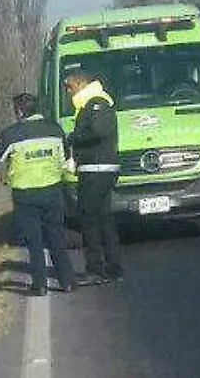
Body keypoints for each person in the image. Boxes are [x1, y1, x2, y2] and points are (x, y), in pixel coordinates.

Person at [0, 93, 78, 296]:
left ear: (19, 111)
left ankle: (40, 284)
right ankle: (67, 281)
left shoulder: (12, 134)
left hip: (26, 196)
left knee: (34, 241)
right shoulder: (55, 129)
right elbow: (66, 161)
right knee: (56, 237)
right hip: (53, 191)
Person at [63, 70, 124, 284]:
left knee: (88, 218)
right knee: (104, 218)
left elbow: (99, 131)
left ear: (80, 83)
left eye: (69, 86)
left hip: (97, 168)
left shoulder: (96, 102)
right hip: (97, 168)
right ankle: (113, 268)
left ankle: (96, 269)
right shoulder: (88, 104)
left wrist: (73, 138)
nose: (67, 92)